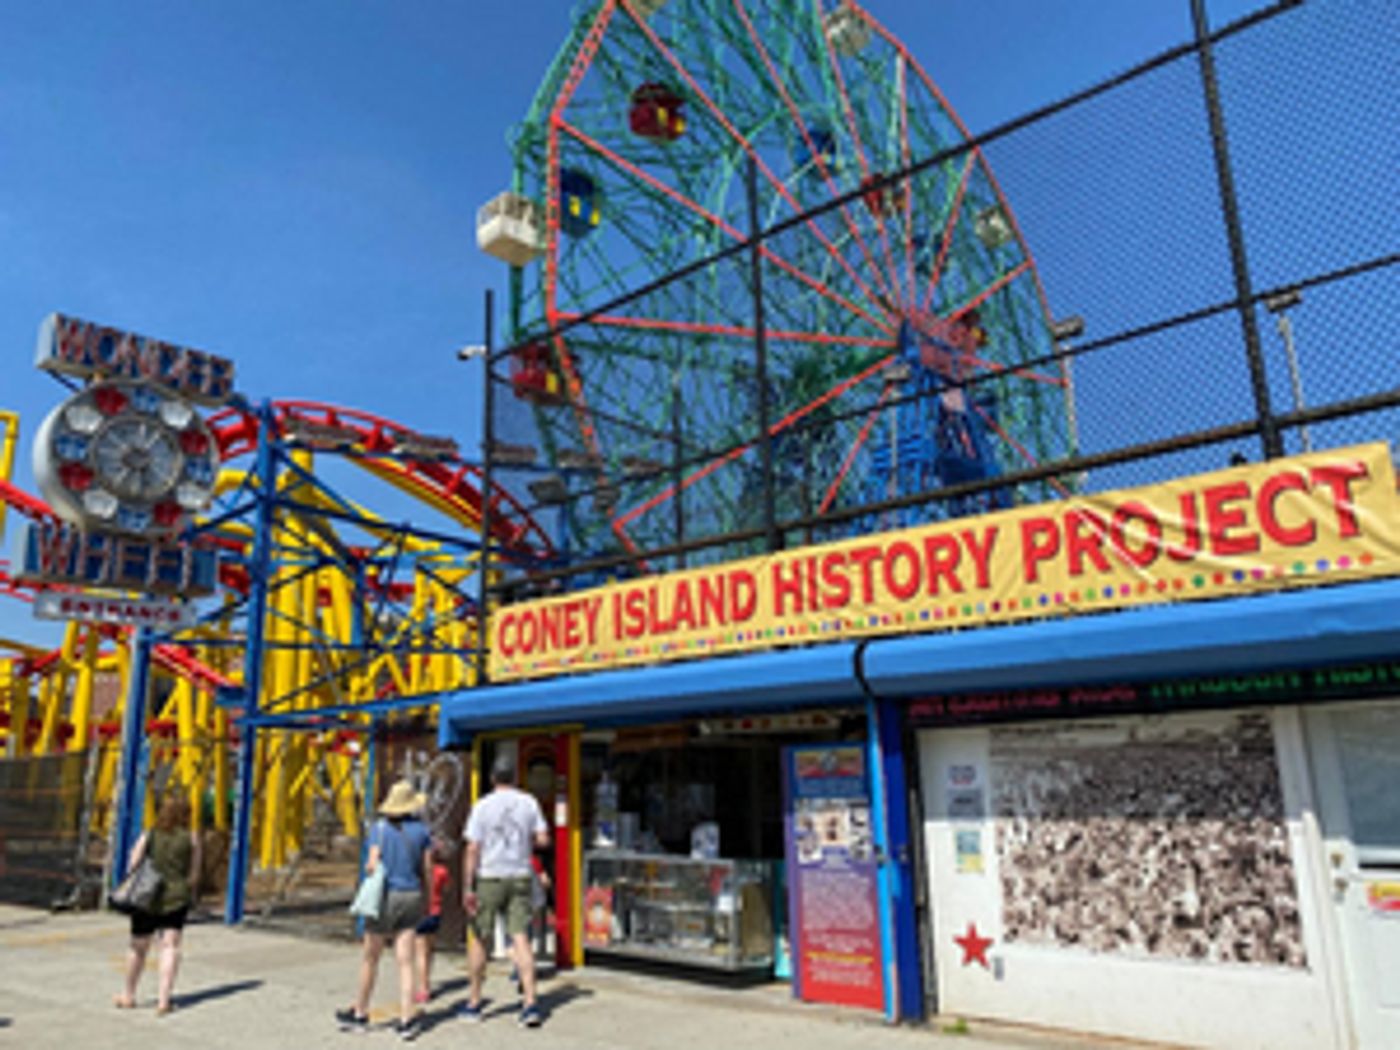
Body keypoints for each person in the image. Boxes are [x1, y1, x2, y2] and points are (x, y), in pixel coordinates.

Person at [336, 780, 431, 1041]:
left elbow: (371, 864)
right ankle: (407, 1019)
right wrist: (428, 896)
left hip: (385, 897)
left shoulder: (378, 830)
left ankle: (360, 1012)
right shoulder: (422, 831)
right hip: (411, 894)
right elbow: (427, 868)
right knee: (405, 960)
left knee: (371, 958)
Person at [460, 754, 549, 1028]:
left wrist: (468, 886)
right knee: (520, 937)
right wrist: (525, 841)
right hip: (519, 874)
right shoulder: (529, 802)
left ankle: (474, 1001)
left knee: (480, 938)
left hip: (489, 876)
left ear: (492, 778)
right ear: (515, 776)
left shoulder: (482, 806)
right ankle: (530, 1003)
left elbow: (472, 847)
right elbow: (543, 839)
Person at [114, 794, 201, 1015]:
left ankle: (128, 994)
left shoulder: (150, 834)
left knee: (138, 946)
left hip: (146, 897)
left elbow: (133, 863)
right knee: (170, 946)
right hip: (176, 897)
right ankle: (164, 1000)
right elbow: (194, 874)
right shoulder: (192, 838)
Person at [413, 837, 452, 1004]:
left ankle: (423, 988)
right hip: (436, 912)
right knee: (429, 950)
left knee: (420, 952)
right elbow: (447, 888)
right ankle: (426, 979)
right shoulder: (442, 871)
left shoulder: (418, 873)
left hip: (421, 912)